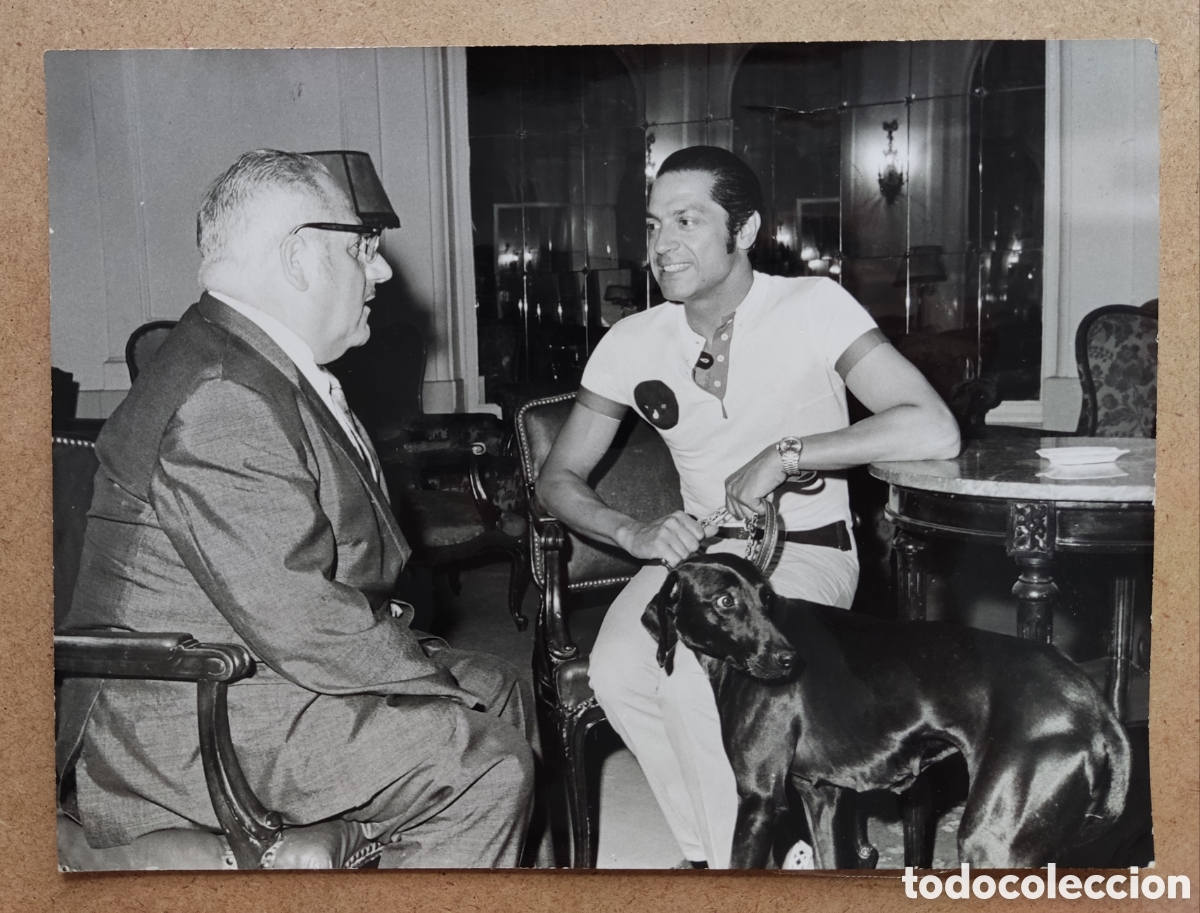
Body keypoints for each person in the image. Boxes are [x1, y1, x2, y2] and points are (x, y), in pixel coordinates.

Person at [58, 150, 534, 868]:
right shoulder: (223, 393)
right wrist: (436, 688)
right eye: (362, 249)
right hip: (192, 714)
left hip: (260, 670)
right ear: (298, 254)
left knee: (498, 688)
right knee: (485, 760)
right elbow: (304, 619)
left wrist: (436, 679)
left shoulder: (249, 361)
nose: (381, 272)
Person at [536, 146, 960, 869]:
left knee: (695, 677)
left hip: (809, 547)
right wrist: (630, 529)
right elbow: (558, 476)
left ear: (746, 227)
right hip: (703, 558)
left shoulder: (814, 306)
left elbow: (933, 425)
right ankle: (728, 854)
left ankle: (750, 864)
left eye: (687, 220)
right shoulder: (631, 342)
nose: (662, 244)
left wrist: (788, 453)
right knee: (617, 667)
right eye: (652, 224)